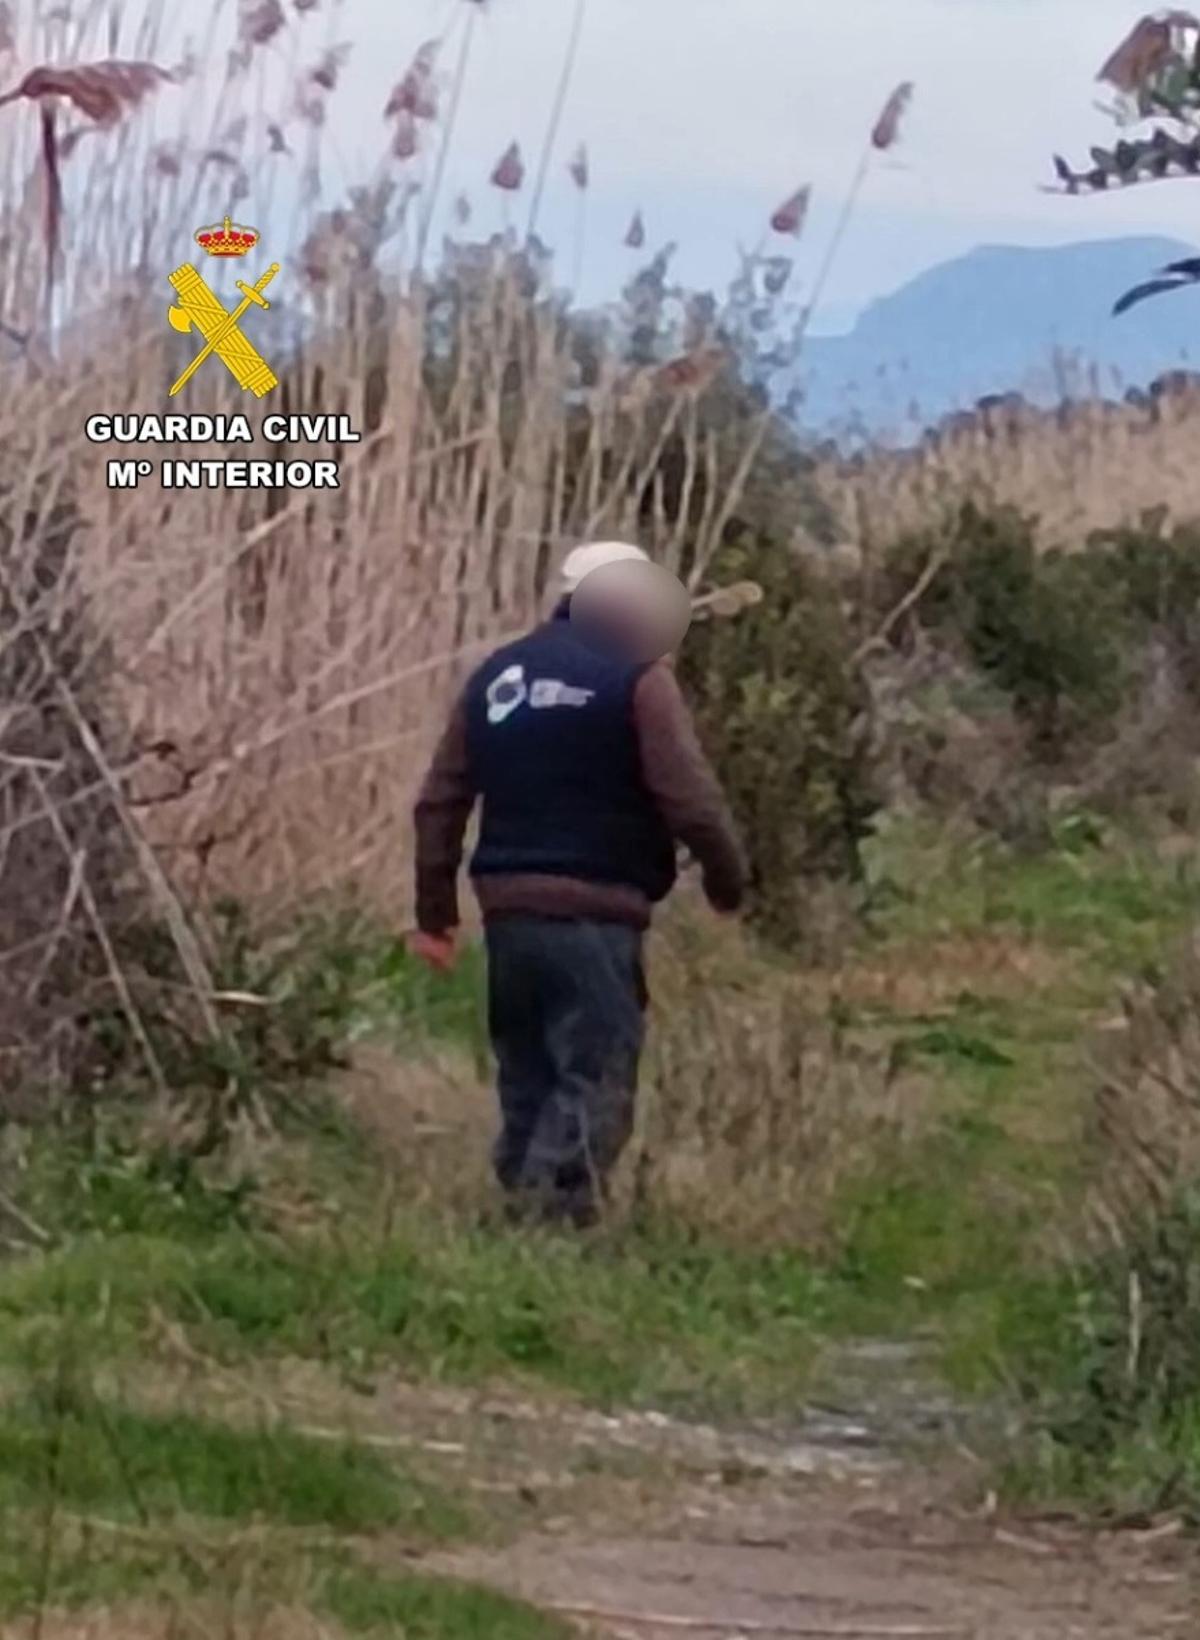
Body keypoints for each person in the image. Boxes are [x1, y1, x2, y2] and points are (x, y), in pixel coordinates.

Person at [410, 540, 747, 1227]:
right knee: (595, 1074)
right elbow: (691, 802)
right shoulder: (638, 677)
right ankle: (547, 1222)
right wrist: (728, 882)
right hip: (597, 913)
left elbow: (439, 803)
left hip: (507, 915)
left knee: (527, 1073)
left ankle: (514, 1213)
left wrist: (435, 914)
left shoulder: (496, 677)